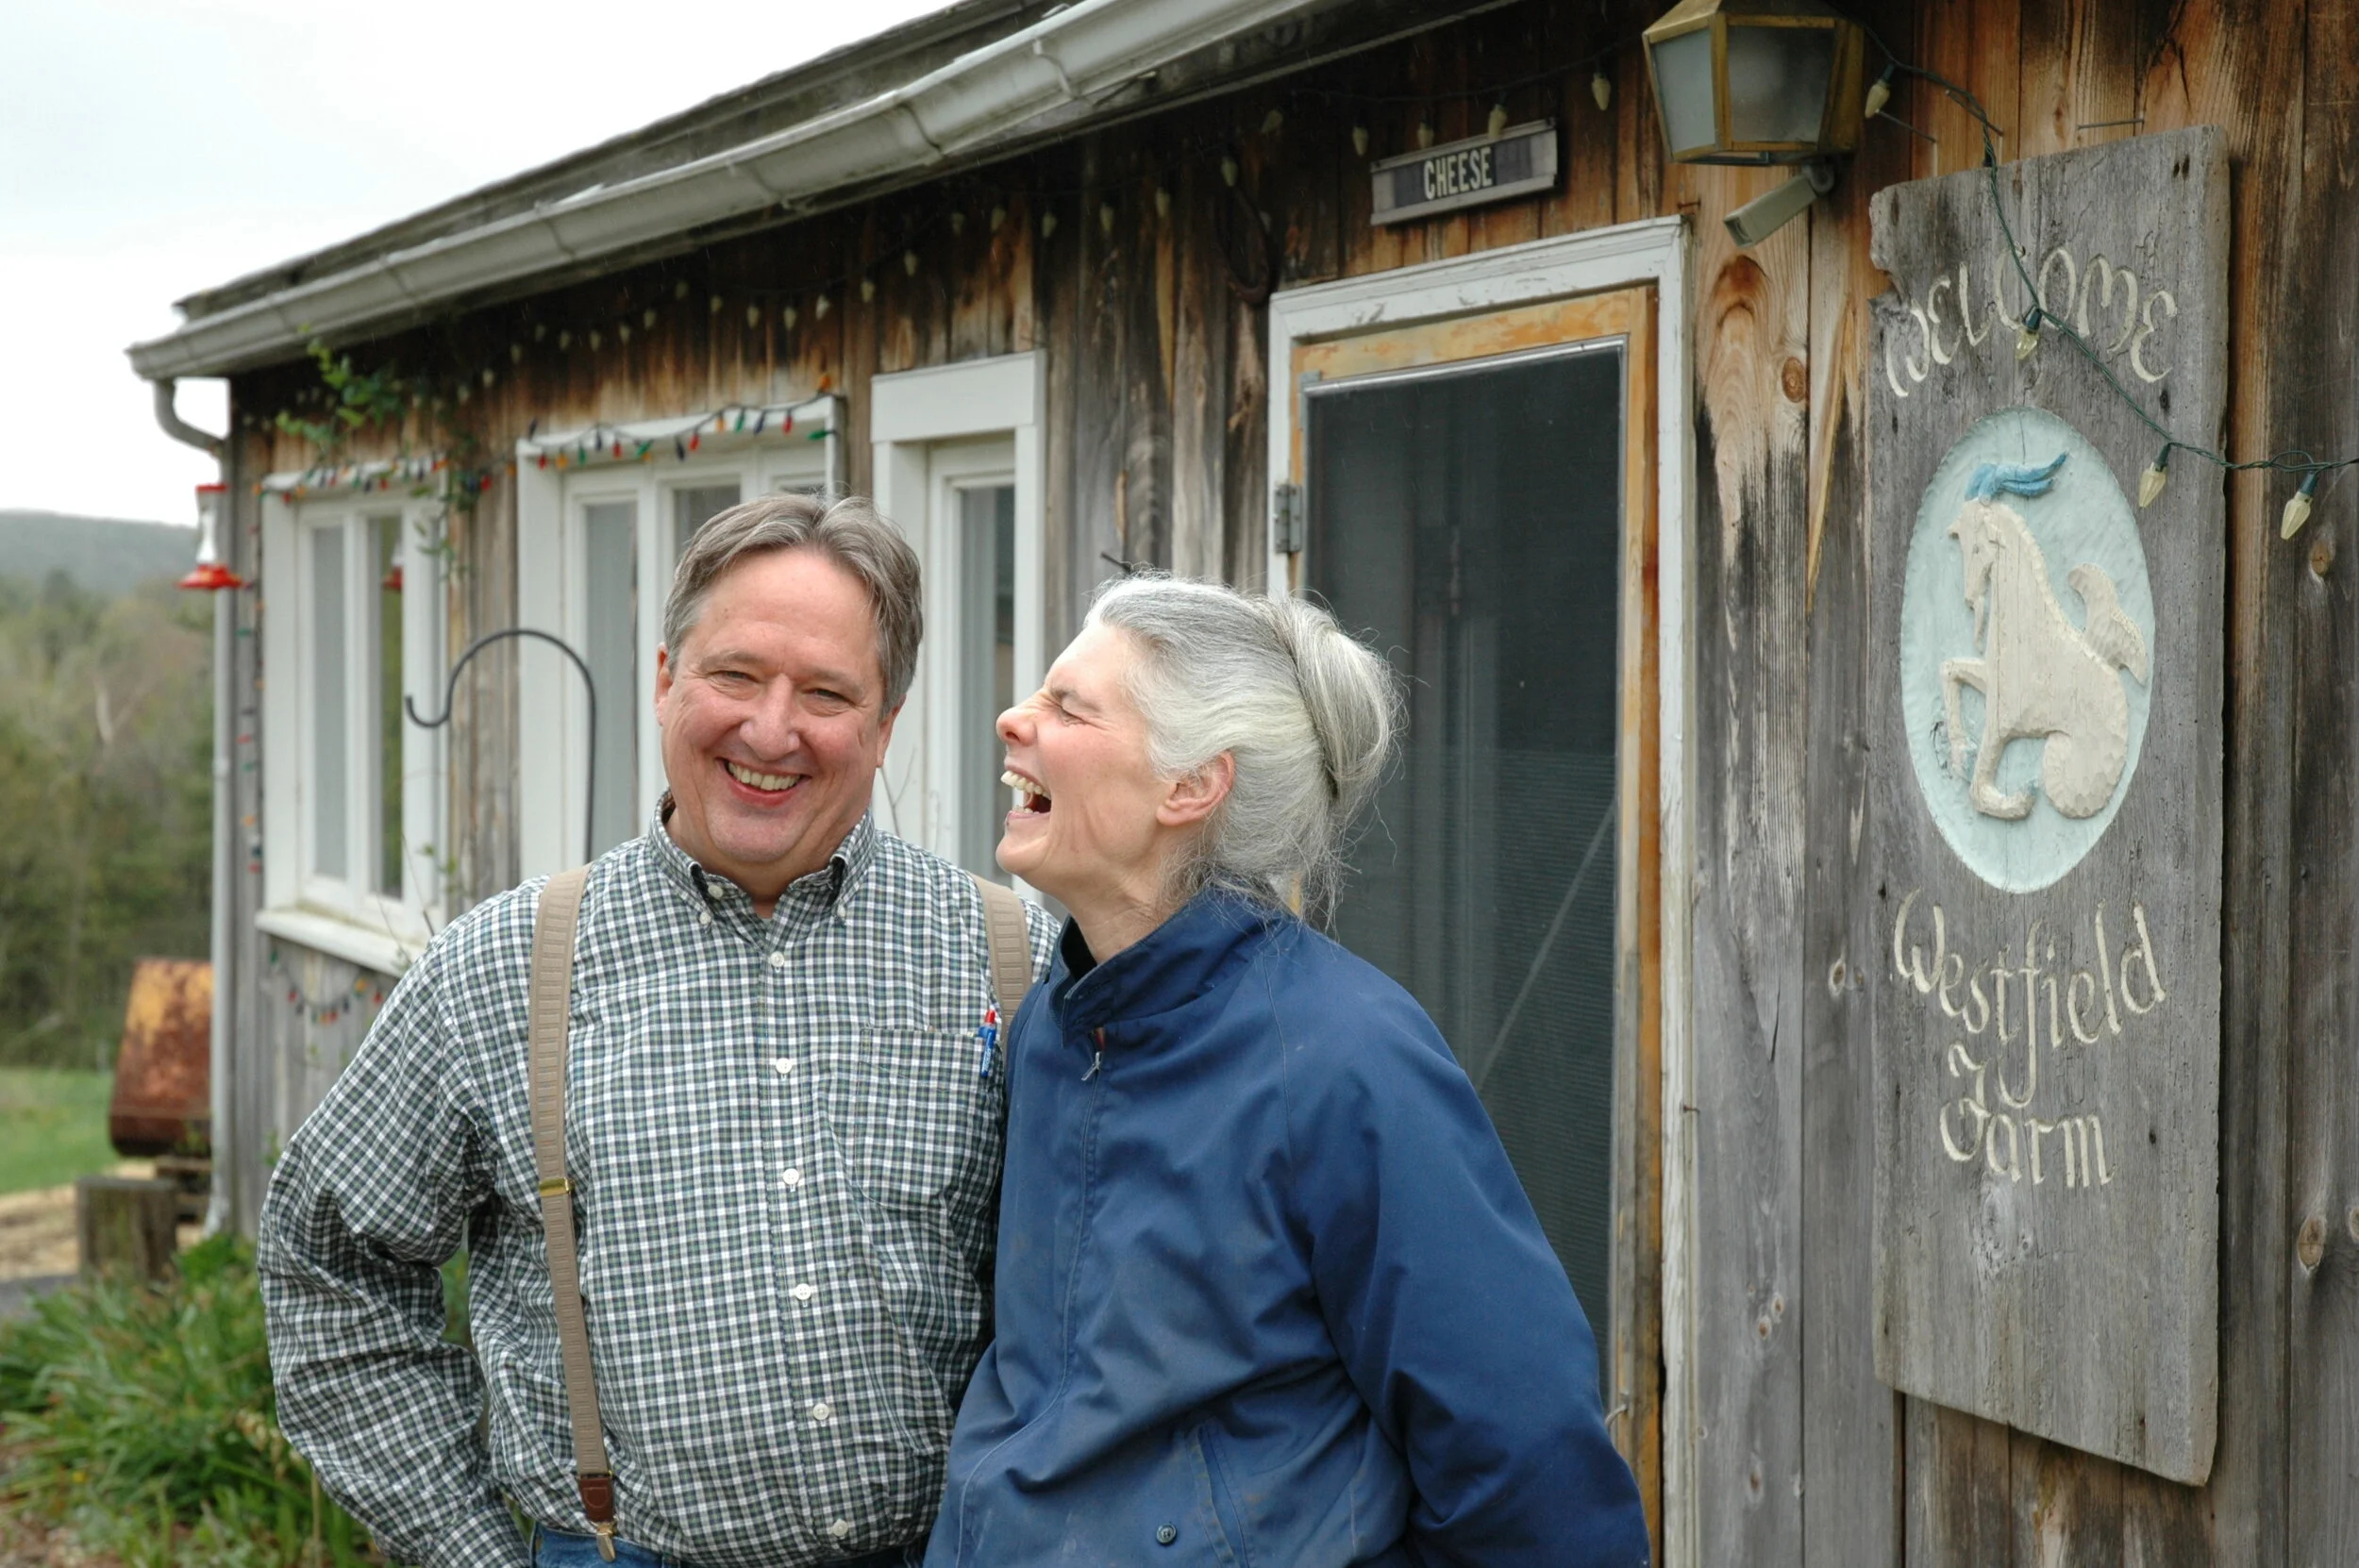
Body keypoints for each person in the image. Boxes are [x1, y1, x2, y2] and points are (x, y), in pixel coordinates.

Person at [259, 493, 1052, 1568]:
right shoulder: (506, 968)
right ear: (666, 676)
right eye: (734, 676)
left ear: (885, 725)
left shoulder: (1014, 958)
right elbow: (329, 1265)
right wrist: (479, 1551)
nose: (772, 731)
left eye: (825, 692)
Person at [927, 574, 1650, 1568]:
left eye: (1068, 706)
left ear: (1189, 786)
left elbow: (1528, 1466)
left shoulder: (1350, 1059)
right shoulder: (1052, 1026)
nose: (1015, 718)